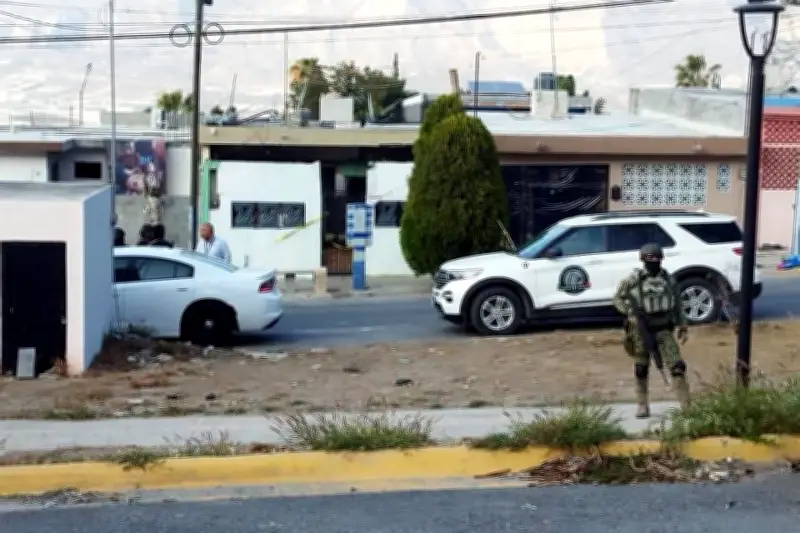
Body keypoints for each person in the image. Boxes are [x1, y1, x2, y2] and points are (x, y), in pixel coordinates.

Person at [612, 242, 690, 418]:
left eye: (656, 259)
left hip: (663, 328)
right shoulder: (634, 279)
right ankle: (642, 405)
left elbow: (677, 303)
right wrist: (630, 312)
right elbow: (617, 298)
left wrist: (682, 325)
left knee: (677, 366)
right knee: (641, 367)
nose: (653, 262)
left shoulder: (669, 280)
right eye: (649, 259)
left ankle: (686, 406)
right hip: (641, 329)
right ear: (643, 260)